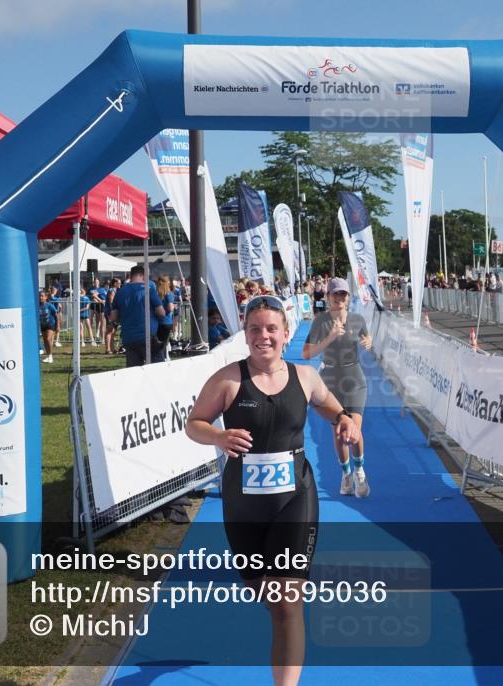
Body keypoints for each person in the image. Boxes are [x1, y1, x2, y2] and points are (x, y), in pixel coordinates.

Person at [186, 295, 360, 686]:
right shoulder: (229, 379)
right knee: (265, 594)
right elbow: (193, 423)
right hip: (243, 503)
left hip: (294, 497)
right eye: (254, 329)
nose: (263, 336)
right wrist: (217, 434)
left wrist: (345, 420)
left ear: (285, 333)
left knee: (286, 603)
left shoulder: (305, 377)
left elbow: (331, 406)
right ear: (246, 335)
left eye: (270, 329)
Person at [302, 278, 373, 498]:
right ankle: (346, 474)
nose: (339, 298)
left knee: (353, 429)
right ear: (328, 297)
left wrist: (369, 342)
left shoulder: (357, 319)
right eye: (335, 294)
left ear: (348, 297)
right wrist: (330, 337)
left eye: (343, 294)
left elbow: (366, 337)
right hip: (330, 381)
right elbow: (307, 353)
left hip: (355, 379)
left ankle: (360, 470)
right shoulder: (320, 322)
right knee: (339, 432)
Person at [109, 265, 166, 367]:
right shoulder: (148, 290)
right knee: (158, 369)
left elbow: (113, 317)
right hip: (147, 336)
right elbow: (161, 313)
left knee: (133, 372)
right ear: (142, 275)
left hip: (129, 337)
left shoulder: (120, 292)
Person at [155, 275, 177, 354]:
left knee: (158, 343)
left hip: (157, 321)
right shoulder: (169, 294)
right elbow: (170, 308)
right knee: (164, 343)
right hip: (166, 321)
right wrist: (174, 306)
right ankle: (163, 358)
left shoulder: (155, 294)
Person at [39, 290, 59, 364]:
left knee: (48, 339)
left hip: (50, 324)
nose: (41, 297)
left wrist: (58, 326)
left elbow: (56, 315)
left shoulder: (50, 305)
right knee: (45, 341)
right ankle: (48, 356)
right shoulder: (38, 306)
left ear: (46, 297)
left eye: (42, 296)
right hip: (43, 325)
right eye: (40, 296)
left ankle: (50, 356)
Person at [104, 277, 121, 355]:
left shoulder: (115, 290)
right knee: (109, 330)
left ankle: (112, 348)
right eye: (119, 283)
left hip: (113, 313)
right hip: (110, 313)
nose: (120, 284)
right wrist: (112, 313)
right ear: (115, 283)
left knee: (113, 331)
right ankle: (108, 349)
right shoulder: (112, 290)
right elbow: (111, 302)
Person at [89, 278, 107, 345]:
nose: (96, 283)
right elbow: (93, 296)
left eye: (97, 282)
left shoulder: (102, 289)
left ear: (99, 282)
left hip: (102, 307)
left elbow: (106, 296)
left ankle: (101, 337)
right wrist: (100, 301)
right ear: (93, 283)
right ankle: (99, 337)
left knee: (102, 323)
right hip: (96, 307)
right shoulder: (92, 289)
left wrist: (103, 301)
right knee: (98, 322)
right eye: (95, 282)